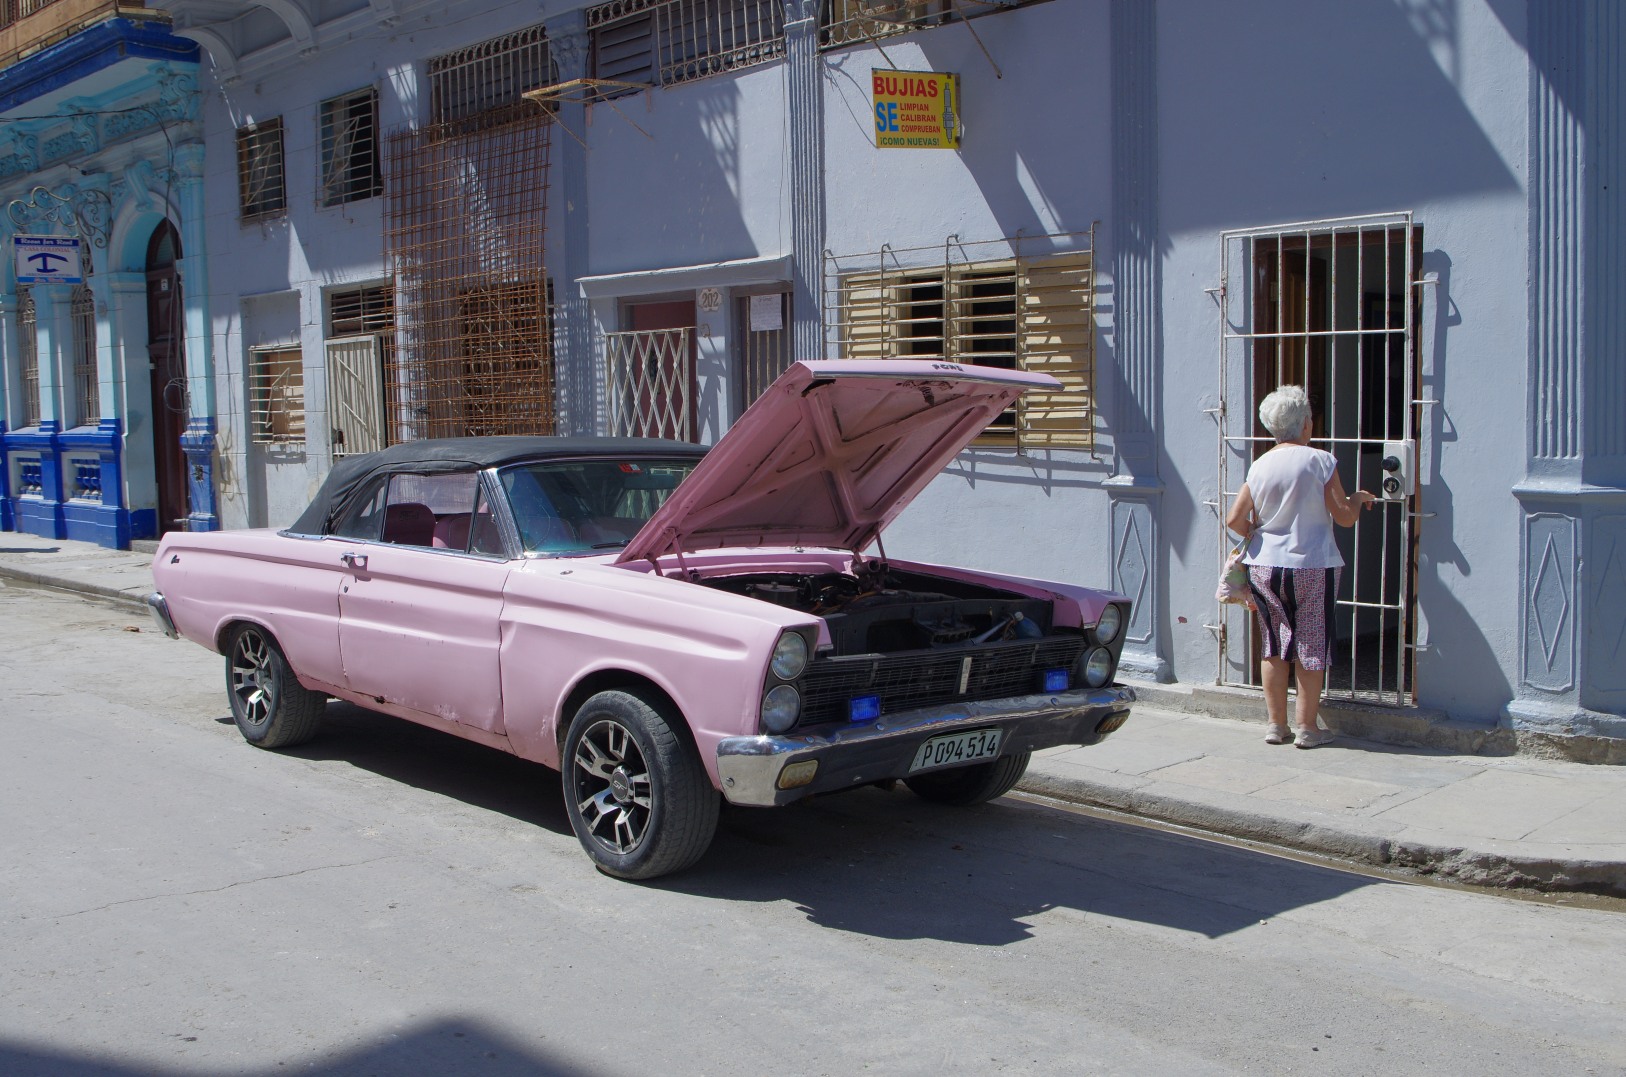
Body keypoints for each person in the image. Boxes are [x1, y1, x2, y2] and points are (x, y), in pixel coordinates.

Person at [1224, 385, 1375, 748]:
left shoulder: (1260, 465)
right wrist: (1356, 499)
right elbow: (1343, 517)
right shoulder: (1319, 460)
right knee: (1312, 645)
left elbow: (1234, 519)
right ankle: (1307, 727)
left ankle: (1276, 725)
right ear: (1305, 423)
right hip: (1312, 566)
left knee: (1274, 645)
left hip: (1265, 567)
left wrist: (1260, 536)